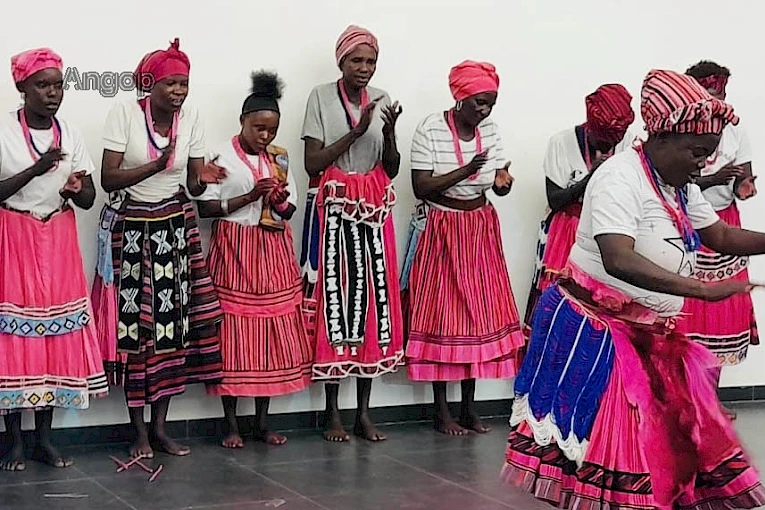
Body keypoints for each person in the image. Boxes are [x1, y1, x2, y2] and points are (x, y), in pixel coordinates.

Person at [502, 69, 765, 509]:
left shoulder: (676, 184)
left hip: (646, 331)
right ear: (662, 138)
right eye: (697, 152)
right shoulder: (619, 178)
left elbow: (721, 237)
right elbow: (618, 257)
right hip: (597, 330)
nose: (703, 165)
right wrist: (700, 288)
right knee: (617, 452)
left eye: (708, 154)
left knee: (658, 455)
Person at [92, 38, 225, 458]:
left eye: (184, 83)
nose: (179, 92)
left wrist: (204, 176)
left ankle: (161, 428)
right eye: (171, 83)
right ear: (150, 85)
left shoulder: (193, 119)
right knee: (135, 331)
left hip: (174, 228)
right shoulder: (125, 114)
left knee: (171, 329)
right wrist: (157, 162)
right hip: (130, 227)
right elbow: (108, 180)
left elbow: (192, 184)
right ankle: (138, 434)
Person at [401, 61, 525, 435]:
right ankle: (441, 411)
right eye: (478, 103)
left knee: (478, 317)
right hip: (442, 228)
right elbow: (421, 187)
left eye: (490, 104)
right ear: (460, 98)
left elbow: (496, 179)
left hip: (479, 228)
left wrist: (502, 183)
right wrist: (468, 169)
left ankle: (470, 407)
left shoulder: (491, 130)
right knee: (443, 316)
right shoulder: (430, 128)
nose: (484, 112)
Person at [0, 48, 109, 471]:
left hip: (58, 237)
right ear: (21, 88)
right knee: (15, 336)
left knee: (53, 335)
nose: (52, 93)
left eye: (58, 85)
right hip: (14, 234)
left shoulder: (71, 132)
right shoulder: (6, 130)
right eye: (42, 85)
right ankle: (13, 443)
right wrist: (39, 168)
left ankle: (44, 439)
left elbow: (88, 198)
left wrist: (73, 189)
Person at [197, 70, 314, 448]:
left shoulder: (278, 159)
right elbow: (205, 207)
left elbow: (290, 209)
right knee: (232, 336)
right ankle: (231, 424)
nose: (265, 136)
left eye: (271, 130)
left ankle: (262, 422)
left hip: (273, 249)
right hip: (234, 249)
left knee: (270, 338)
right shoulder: (220, 156)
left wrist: (277, 199)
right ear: (242, 122)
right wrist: (249, 197)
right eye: (258, 128)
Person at [301, 25, 405, 442]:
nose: (364, 68)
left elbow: (392, 167)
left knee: (373, 308)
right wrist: (356, 131)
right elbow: (313, 164)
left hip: (373, 214)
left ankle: (363, 412)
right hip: (333, 211)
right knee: (336, 304)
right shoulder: (320, 98)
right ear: (340, 60)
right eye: (356, 60)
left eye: (371, 61)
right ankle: (332, 414)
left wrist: (390, 132)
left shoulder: (382, 99)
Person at [521, 84, 635, 340]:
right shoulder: (561, 143)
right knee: (563, 309)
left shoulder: (628, 143)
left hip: (611, 228)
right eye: (607, 139)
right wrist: (592, 175)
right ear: (592, 127)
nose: (612, 144)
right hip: (568, 229)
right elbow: (556, 199)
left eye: (617, 138)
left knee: (609, 305)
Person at [678, 61, 758, 419]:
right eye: (709, 96)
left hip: (724, 225)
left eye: (721, 96)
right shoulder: (675, 132)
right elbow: (674, 183)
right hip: (685, 223)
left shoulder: (736, 132)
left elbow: (745, 180)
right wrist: (713, 179)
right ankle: (681, 402)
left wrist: (744, 185)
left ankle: (709, 400)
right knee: (683, 316)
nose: (717, 103)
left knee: (720, 316)